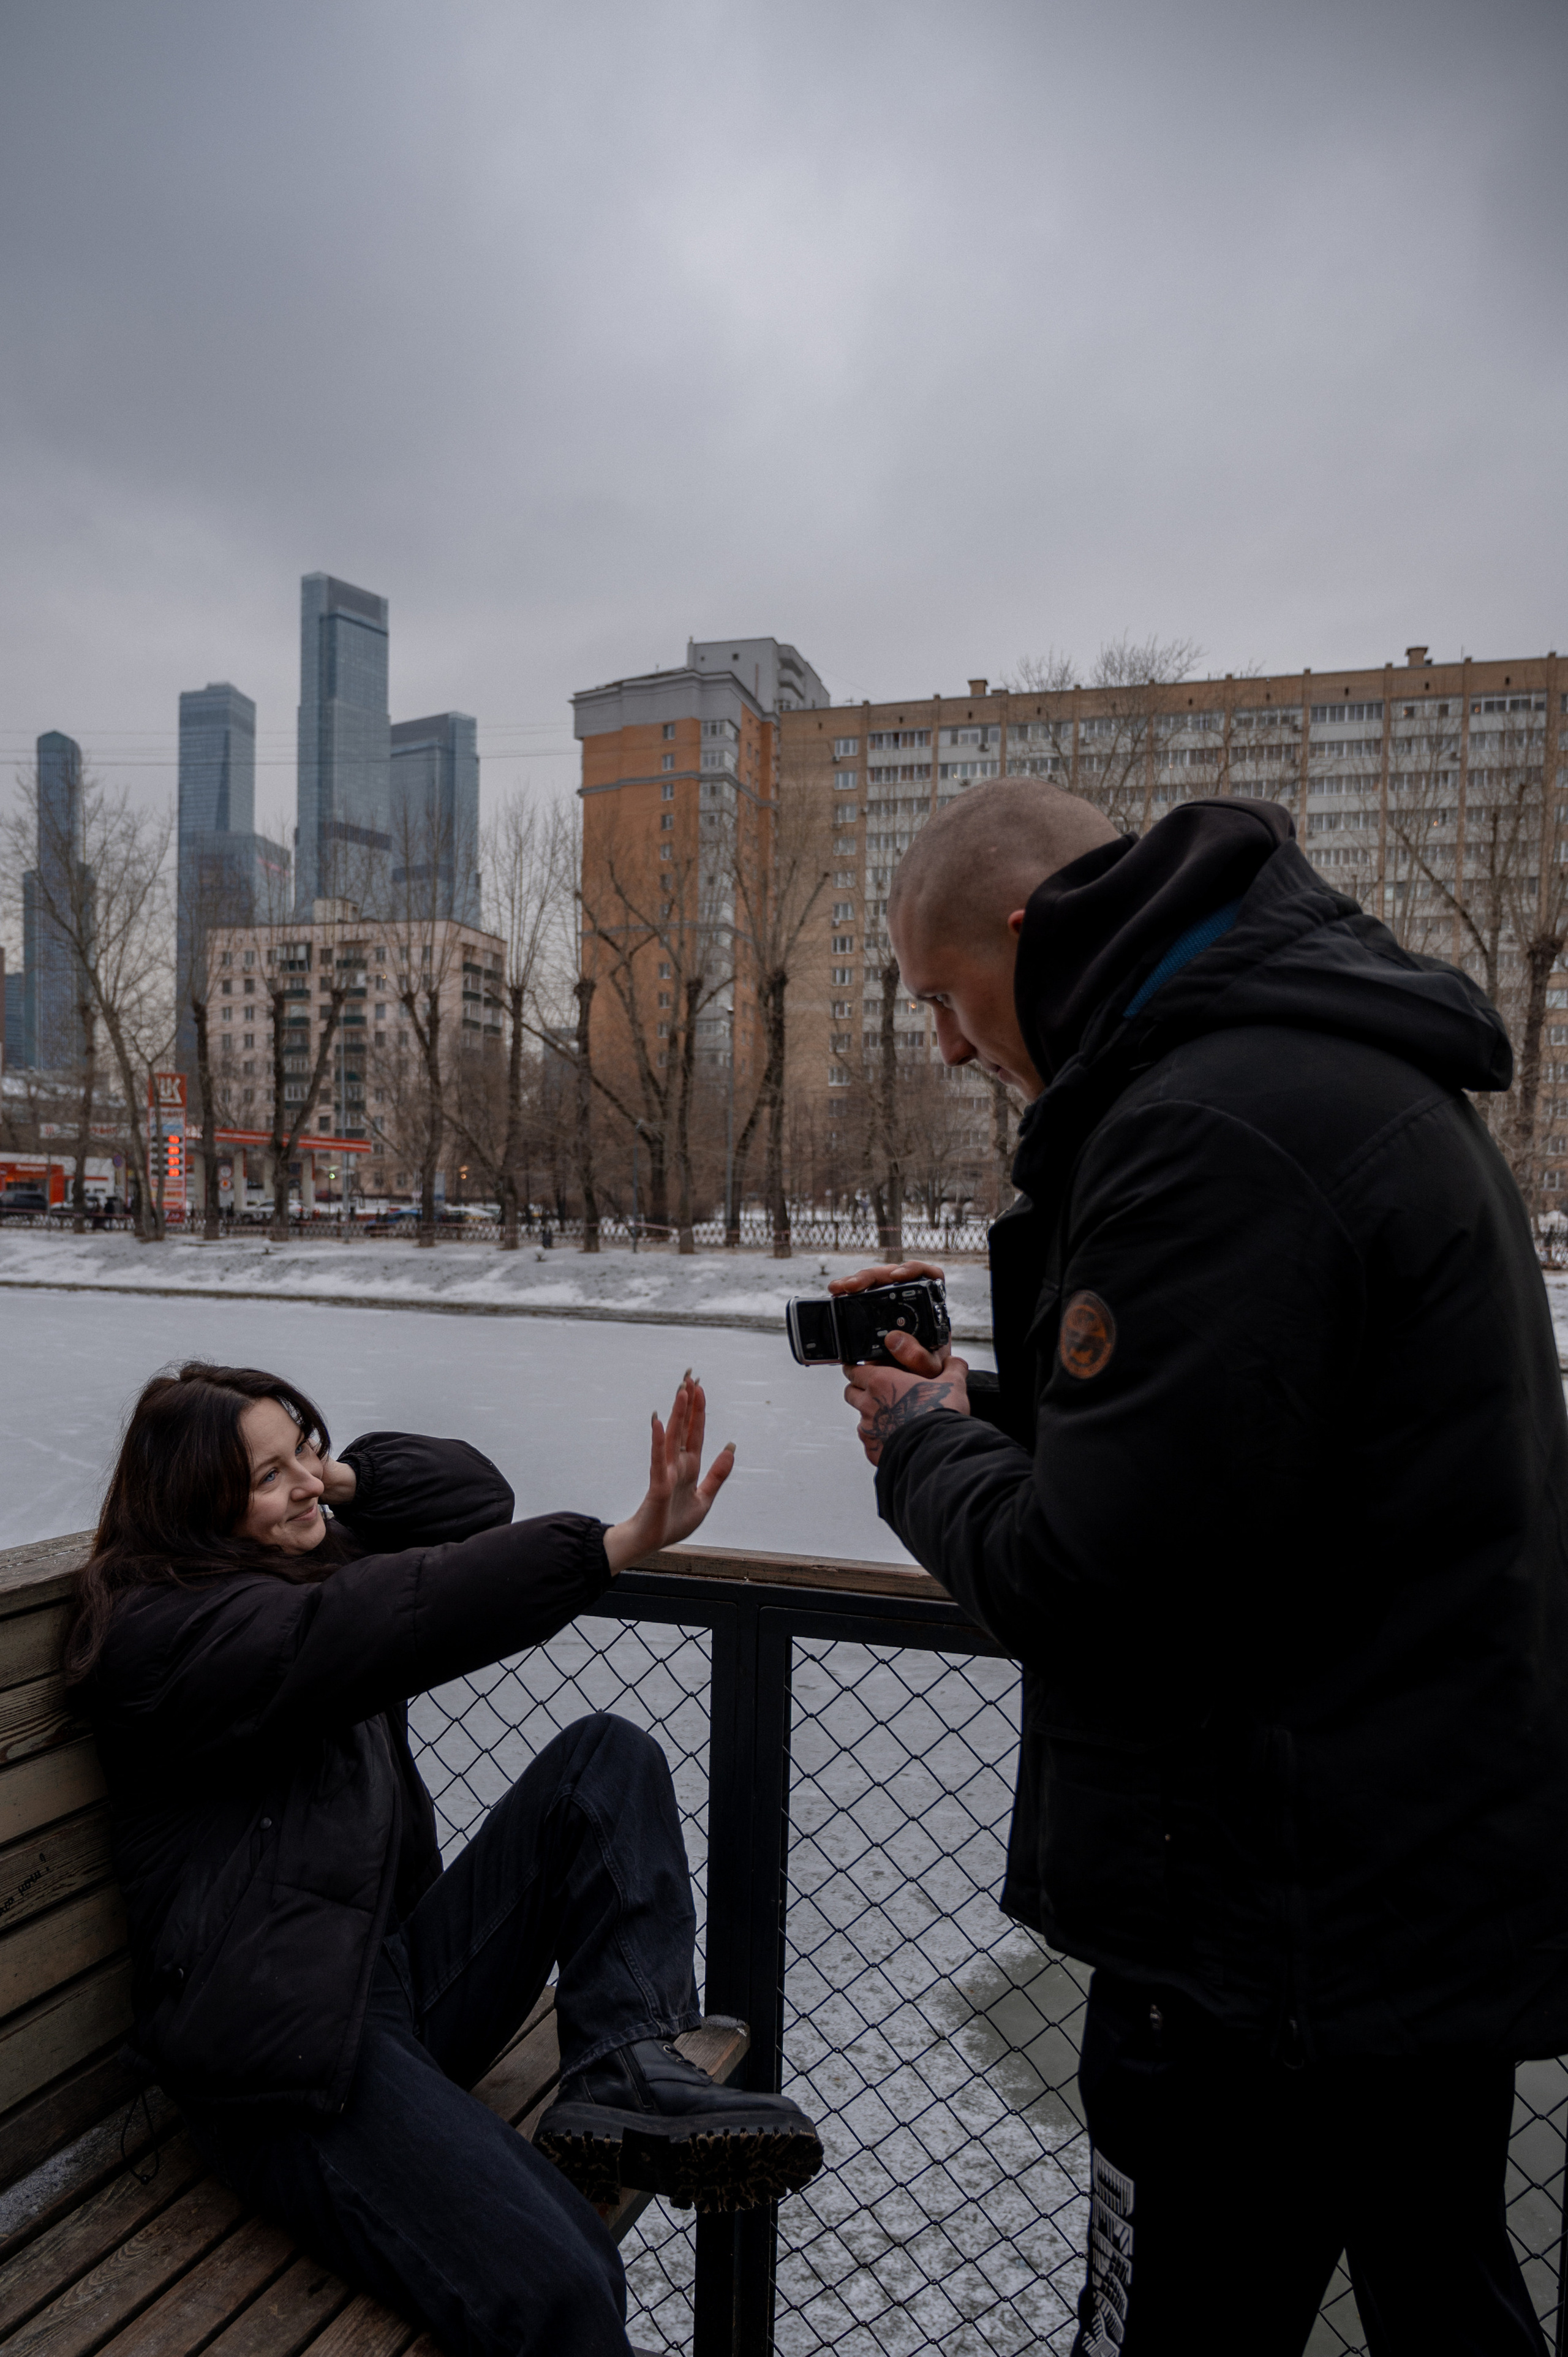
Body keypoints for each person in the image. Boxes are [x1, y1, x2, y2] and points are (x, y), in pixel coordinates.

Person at [832, 781, 1568, 2356]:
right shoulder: (1330, 1070)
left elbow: (1084, 1580)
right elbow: (1250, 1465)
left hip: (1254, 1938)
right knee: (1448, 2300)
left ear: (1026, 936)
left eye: (945, 1001)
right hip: (1401, 1900)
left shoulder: (1201, 1126)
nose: (950, 1050)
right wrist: (1004, 1410)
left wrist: (915, 1444)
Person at [67, 1361, 821, 2357]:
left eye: (303, 1446)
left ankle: (623, 2072)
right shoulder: (171, 1634)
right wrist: (615, 1545)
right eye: (267, 1475)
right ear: (194, 1506)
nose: (303, 1480)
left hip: (382, 1981)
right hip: (285, 2053)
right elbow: (389, 1609)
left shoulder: (291, 1561)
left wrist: (329, 1482)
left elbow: (474, 1500)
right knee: (566, 2285)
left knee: (605, 1763)